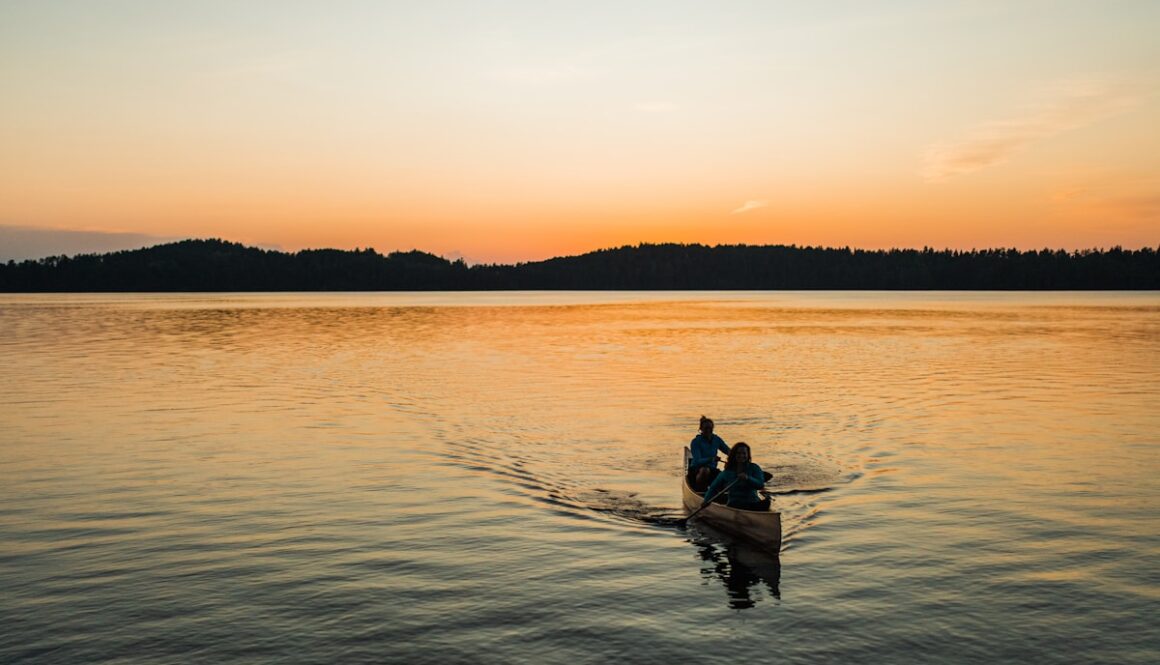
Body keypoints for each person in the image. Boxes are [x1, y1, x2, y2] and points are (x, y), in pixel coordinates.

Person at [702, 442, 770, 512]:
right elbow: (713, 488)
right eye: (738, 453)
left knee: (767, 502)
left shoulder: (754, 468)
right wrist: (706, 501)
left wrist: (748, 478)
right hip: (735, 505)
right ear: (734, 455)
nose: (741, 455)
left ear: (748, 455)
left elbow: (760, 484)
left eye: (744, 453)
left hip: (752, 504)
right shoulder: (727, 472)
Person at [688, 415, 730, 491]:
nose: (708, 430)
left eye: (710, 428)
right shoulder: (695, 442)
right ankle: (701, 490)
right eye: (706, 428)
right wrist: (712, 459)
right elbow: (698, 461)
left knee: (727, 477)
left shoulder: (716, 439)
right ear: (701, 429)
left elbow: (728, 451)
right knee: (705, 470)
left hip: (712, 469)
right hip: (697, 470)